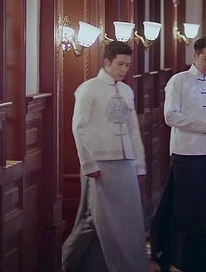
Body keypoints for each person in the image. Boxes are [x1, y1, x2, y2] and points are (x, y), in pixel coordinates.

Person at [62, 41, 150, 272]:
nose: (124, 69)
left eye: (127, 65)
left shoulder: (127, 91)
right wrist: (88, 163)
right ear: (106, 62)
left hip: (126, 163)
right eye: (120, 64)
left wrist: (139, 165)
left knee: (127, 220)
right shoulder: (88, 89)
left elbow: (133, 129)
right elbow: (79, 127)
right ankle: (68, 263)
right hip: (99, 164)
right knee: (93, 219)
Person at [150, 35, 206, 272]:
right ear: (195, 55)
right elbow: (170, 116)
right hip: (185, 154)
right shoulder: (178, 81)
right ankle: (179, 261)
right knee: (185, 213)